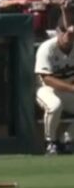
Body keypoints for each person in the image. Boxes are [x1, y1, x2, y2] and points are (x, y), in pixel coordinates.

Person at [35, 14, 74, 155]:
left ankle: (66, 140)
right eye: (65, 32)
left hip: (68, 89)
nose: (68, 36)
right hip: (46, 90)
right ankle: (50, 142)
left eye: (71, 33)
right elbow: (47, 79)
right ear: (58, 31)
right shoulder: (47, 48)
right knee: (55, 105)